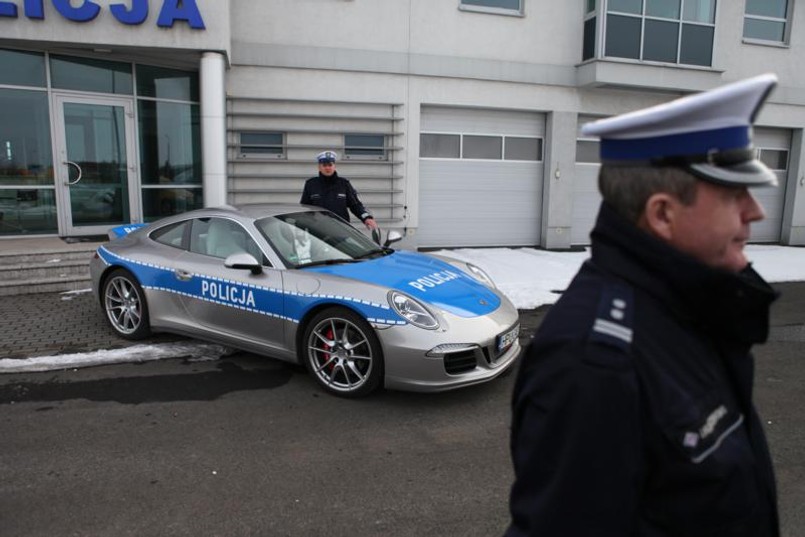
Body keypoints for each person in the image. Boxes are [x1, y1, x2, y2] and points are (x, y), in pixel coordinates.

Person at [506, 73, 781, 537]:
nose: (756, 211)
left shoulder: (692, 305)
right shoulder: (593, 364)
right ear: (662, 214)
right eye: (735, 194)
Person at [300, 150, 378, 231]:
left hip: (341, 230)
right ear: (319, 167)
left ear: (334, 166)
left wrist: (366, 217)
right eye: (324, 165)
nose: (327, 168)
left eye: (330, 165)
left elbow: (355, 205)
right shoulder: (311, 184)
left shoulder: (344, 184)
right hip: (319, 230)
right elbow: (304, 209)